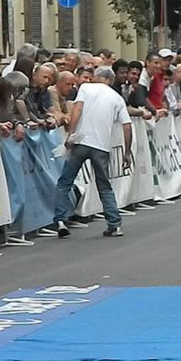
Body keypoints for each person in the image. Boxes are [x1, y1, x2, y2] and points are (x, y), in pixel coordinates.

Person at [54, 66, 133, 239]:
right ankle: (114, 224)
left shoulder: (85, 88)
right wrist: (127, 151)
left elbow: (77, 109)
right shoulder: (117, 98)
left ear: (97, 77)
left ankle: (60, 220)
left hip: (81, 141)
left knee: (65, 181)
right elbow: (127, 126)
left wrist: (71, 135)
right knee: (104, 185)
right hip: (101, 146)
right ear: (110, 80)